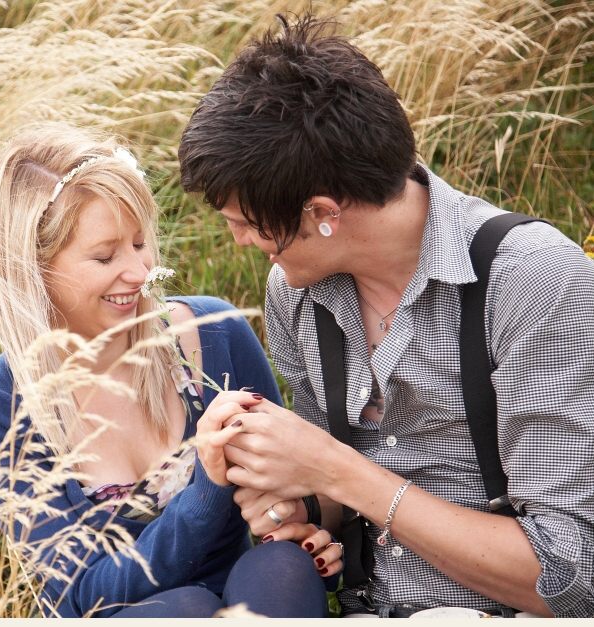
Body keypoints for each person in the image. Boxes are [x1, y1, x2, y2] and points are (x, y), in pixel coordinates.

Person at [177, 13, 594, 618]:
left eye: (244, 221)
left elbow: (571, 576)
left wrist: (334, 469)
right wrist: (289, 497)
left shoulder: (532, 279)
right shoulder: (296, 290)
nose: (239, 239)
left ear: (322, 211)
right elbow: (334, 500)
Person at [0, 123, 339, 618]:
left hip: (252, 604)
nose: (139, 272)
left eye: (139, 243)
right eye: (105, 255)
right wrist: (208, 486)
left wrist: (297, 521)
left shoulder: (213, 334)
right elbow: (79, 595)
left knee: (281, 567)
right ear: (33, 268)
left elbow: (293, 497)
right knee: (184, 609)